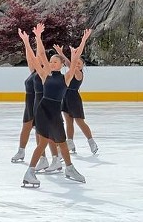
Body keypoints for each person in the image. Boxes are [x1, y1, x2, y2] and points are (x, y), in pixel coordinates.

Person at [21, 25, 91, 188]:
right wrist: (37, 37)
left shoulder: (66, 78)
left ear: (60, 64)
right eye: (50, 62)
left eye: (55, 62)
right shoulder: (45, 75)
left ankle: (69, 168)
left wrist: (83, 41)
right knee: (43, 142)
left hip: (55, 112)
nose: (51, 63)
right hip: (43, 111)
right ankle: (30, 172)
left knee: (62, 142)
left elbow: (75, 61)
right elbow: (40, 55)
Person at [54, 45, 98, 155]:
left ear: (83, 66)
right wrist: (61, 53)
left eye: (79, 63)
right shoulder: (71, 72)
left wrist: (66, 55)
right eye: (76, 63)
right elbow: (70, 65)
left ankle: (91, 141)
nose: (76, 64)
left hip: (74, 98)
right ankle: (70, 142)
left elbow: (70, 65)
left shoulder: (79, 74)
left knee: (79, 121)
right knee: (69, 122)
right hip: (65, 97)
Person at [10, 32, 40, 163]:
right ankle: (21, 151)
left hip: (39, 103)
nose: (35, 59)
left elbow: (38, 56)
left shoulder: (45, 74)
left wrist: (38, 39)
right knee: (26, 128)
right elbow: (31, 58)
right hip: (29, 103)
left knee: (41, 132)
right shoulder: (34, 71)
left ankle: (48, 156)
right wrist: (26, 42)